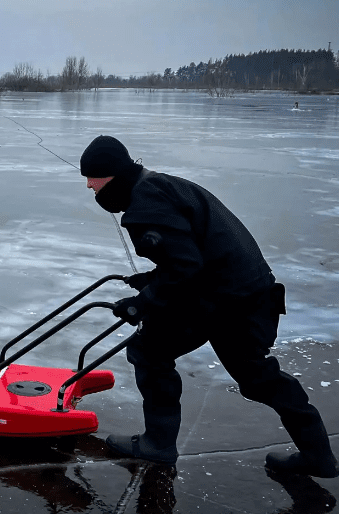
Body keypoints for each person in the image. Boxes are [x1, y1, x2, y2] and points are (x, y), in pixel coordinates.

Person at [80, 135, 338, 478]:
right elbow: (189, 255)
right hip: (242, 292)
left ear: (111, 175)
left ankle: (158, 444)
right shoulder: (157, 185)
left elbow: (186, 267)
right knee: (259, 378)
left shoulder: (146, 206)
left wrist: (143, 303)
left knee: (150, 350)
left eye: (92, 178)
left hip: (228, 301)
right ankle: (319, 455)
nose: (88, 186)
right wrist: (150, 282)